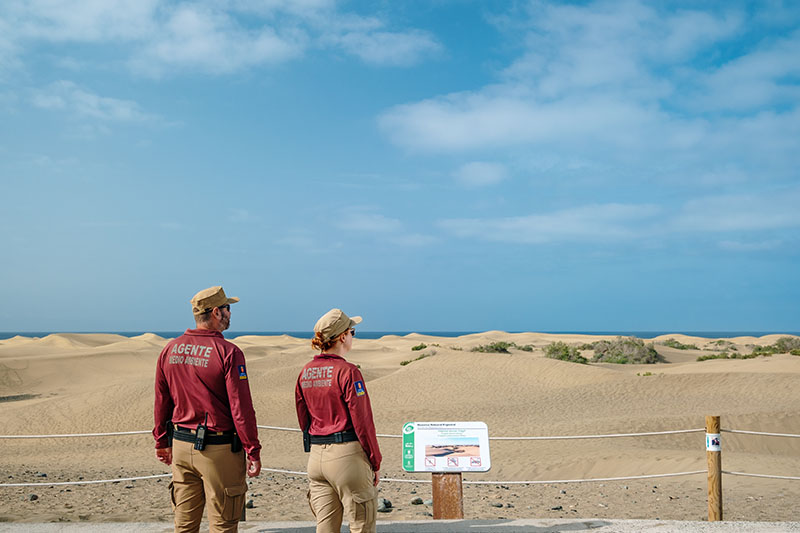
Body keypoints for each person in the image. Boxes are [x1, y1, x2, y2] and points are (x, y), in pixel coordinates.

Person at [153, 285, 261, 533]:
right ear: (216, 312)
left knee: (184, 525)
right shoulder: (229, 352)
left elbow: (162, 401)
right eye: (228, 308)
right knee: (223, 524)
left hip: (181, 448)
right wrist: (253, 450)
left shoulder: (170, 349)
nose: (230, 314)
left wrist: (161, 441)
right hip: (218, 450)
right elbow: (241, 408)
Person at [295, 308, 382, 533]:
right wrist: (375, 460)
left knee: (325, 528)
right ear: (342, 336)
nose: (353, 336)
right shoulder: (348, 372)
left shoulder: (306, 372)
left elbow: (303, 418)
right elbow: (363, 421)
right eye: (352, 332)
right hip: (347, 456)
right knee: (362, 526)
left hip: (316, 459)